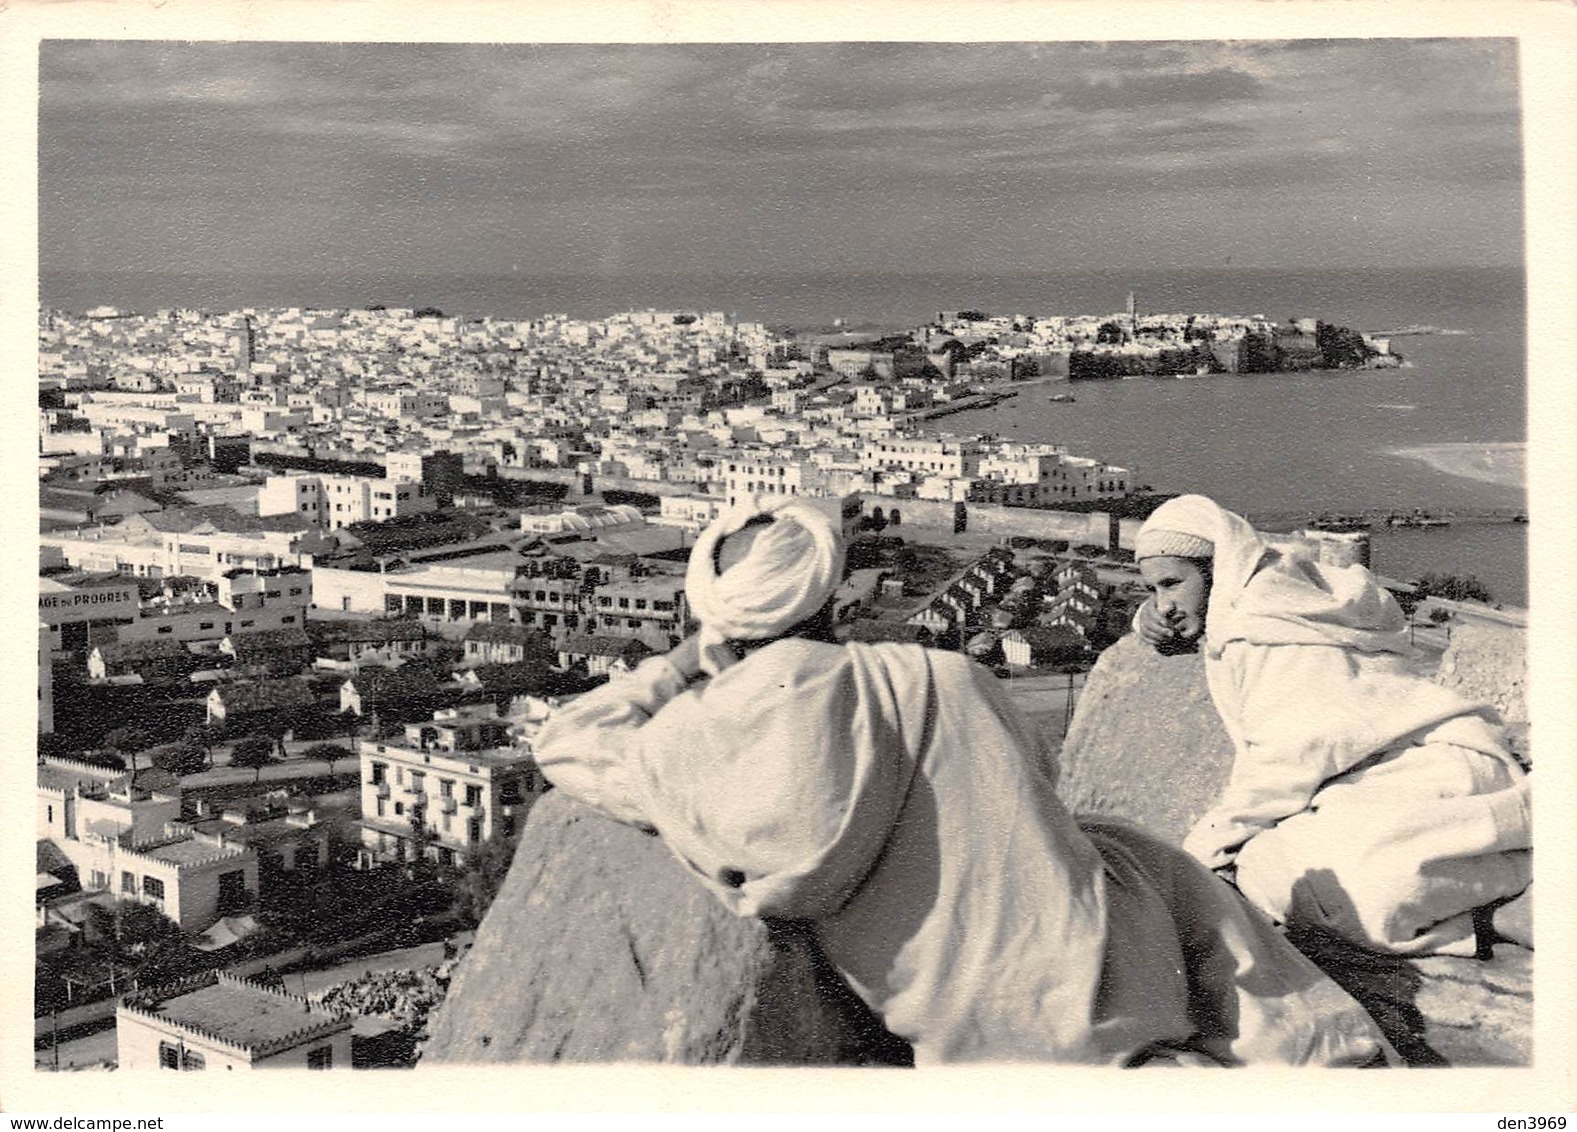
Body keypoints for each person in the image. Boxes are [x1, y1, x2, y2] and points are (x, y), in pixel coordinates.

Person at [533, 497, 1394, 1066]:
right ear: (831, 593)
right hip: (1107, 978)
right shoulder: (937, 679)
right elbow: (1034, 793)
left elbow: (567, 743)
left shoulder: (684, 748)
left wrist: (684, 663)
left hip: (958, 1026)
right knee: (1141, 858)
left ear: (710, 609)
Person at [1132, 494, 1531, 957]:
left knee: (1295, 876)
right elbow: (1186, 604)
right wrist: (1149, 620)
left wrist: (1204, 852)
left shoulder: (1262, 635)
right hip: (1420, 766)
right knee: (1291, 863)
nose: (1163, 604)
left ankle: (1494, 918)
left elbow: (1286, 763)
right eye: (1152, 591)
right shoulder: (1283, 584)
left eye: (1170, 585)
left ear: (1217, 570)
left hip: (1429, 773)